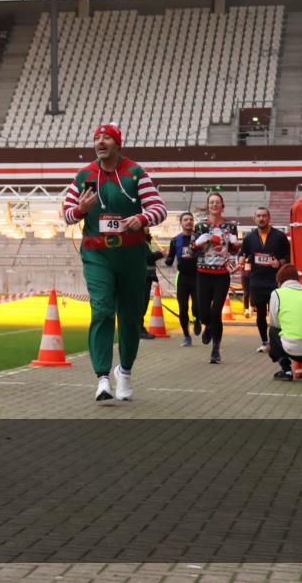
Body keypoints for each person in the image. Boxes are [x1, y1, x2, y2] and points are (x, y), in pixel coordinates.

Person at [62, 123, 167, 402]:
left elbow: (160, 208)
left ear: (117, 143)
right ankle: (103, 377)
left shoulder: (135, 173)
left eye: (106, 137)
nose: (100, 141)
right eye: (96, 137)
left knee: (131, 319)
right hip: (97, 255)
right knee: (102, 310)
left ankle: (125, 373)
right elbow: (67, 215)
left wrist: (142, 219)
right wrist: (81, 209)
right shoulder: (84, 175)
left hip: (131, 255)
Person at [193, 191, 241, 364]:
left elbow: (235, 251)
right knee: (204, 313)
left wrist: (236, 244)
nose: (214, 205)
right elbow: (193, 251)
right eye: (211, 202)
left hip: (222, 275)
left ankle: (215, 350)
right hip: (203, 274)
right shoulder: (200, 226)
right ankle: (208, 326)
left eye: (217, 202)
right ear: (208, 206)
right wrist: (203, 243)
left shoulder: (230, 226)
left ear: (222, 206)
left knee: (216, 312)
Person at [240, 206, 290, 353]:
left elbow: (289, 255)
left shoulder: (279, 236)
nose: (261, 218)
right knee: (260, 314)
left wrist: (279, 263)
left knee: (277, 314)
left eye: (264, 216)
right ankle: (265, 342)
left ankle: (280, 343)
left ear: (269, 218)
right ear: (254, 219)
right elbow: (243, 253)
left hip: (274, 281)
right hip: (256, 281)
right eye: (258, 216)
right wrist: (241, 258)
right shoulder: (249, 237)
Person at [164, 212, 200, 346]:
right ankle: (186, 336)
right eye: (185, 220)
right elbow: (170, 259)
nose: (189, 222)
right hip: (183, 278)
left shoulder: (199, 238)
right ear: (181, 223)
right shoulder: (175, 240)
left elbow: (207, 252)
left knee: (197, 307)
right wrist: (165, 258)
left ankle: (197, 319)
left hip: (197, 276)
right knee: (182, 307)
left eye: (191, 219)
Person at [140, 230, 164, 340]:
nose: (148, 227)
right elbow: (148, 258)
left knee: (143, 304)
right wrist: (161, 254)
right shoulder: (140, 241)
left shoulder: (146, 240)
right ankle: (138, 330)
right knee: (141, 304)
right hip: (141, 278)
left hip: (147, 276)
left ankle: (138, 329)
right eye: (145, 225)